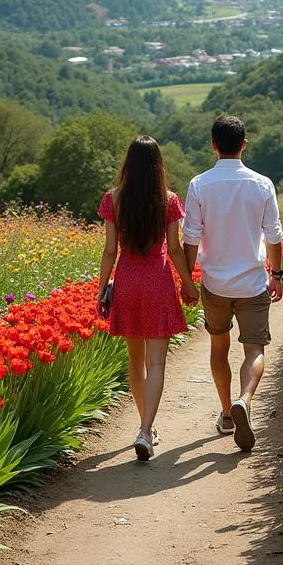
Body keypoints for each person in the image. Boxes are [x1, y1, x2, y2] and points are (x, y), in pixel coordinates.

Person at [182, 116, 283, 452]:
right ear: (244, 144)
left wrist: (187, 280)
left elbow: (191, 237)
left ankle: (227, 413)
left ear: (213, 145)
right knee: (254, 349)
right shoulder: (262, 184)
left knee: (219, 347)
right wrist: (277, 275)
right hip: (253, 283)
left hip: (215, 284)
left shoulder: (199, 184)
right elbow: (274, 235)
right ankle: (245, 398)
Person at [97, 136, 199, 462]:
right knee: (156, 362)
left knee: (135, 360)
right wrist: (187, 284)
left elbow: (111, 250)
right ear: (158, 166)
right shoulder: (168, 201)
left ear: (128, 163)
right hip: (157, 280)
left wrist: (102, 289)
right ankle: (145, 429)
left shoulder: (114, 200)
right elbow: (176, 247)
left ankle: (145, 427)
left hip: (127, 280)